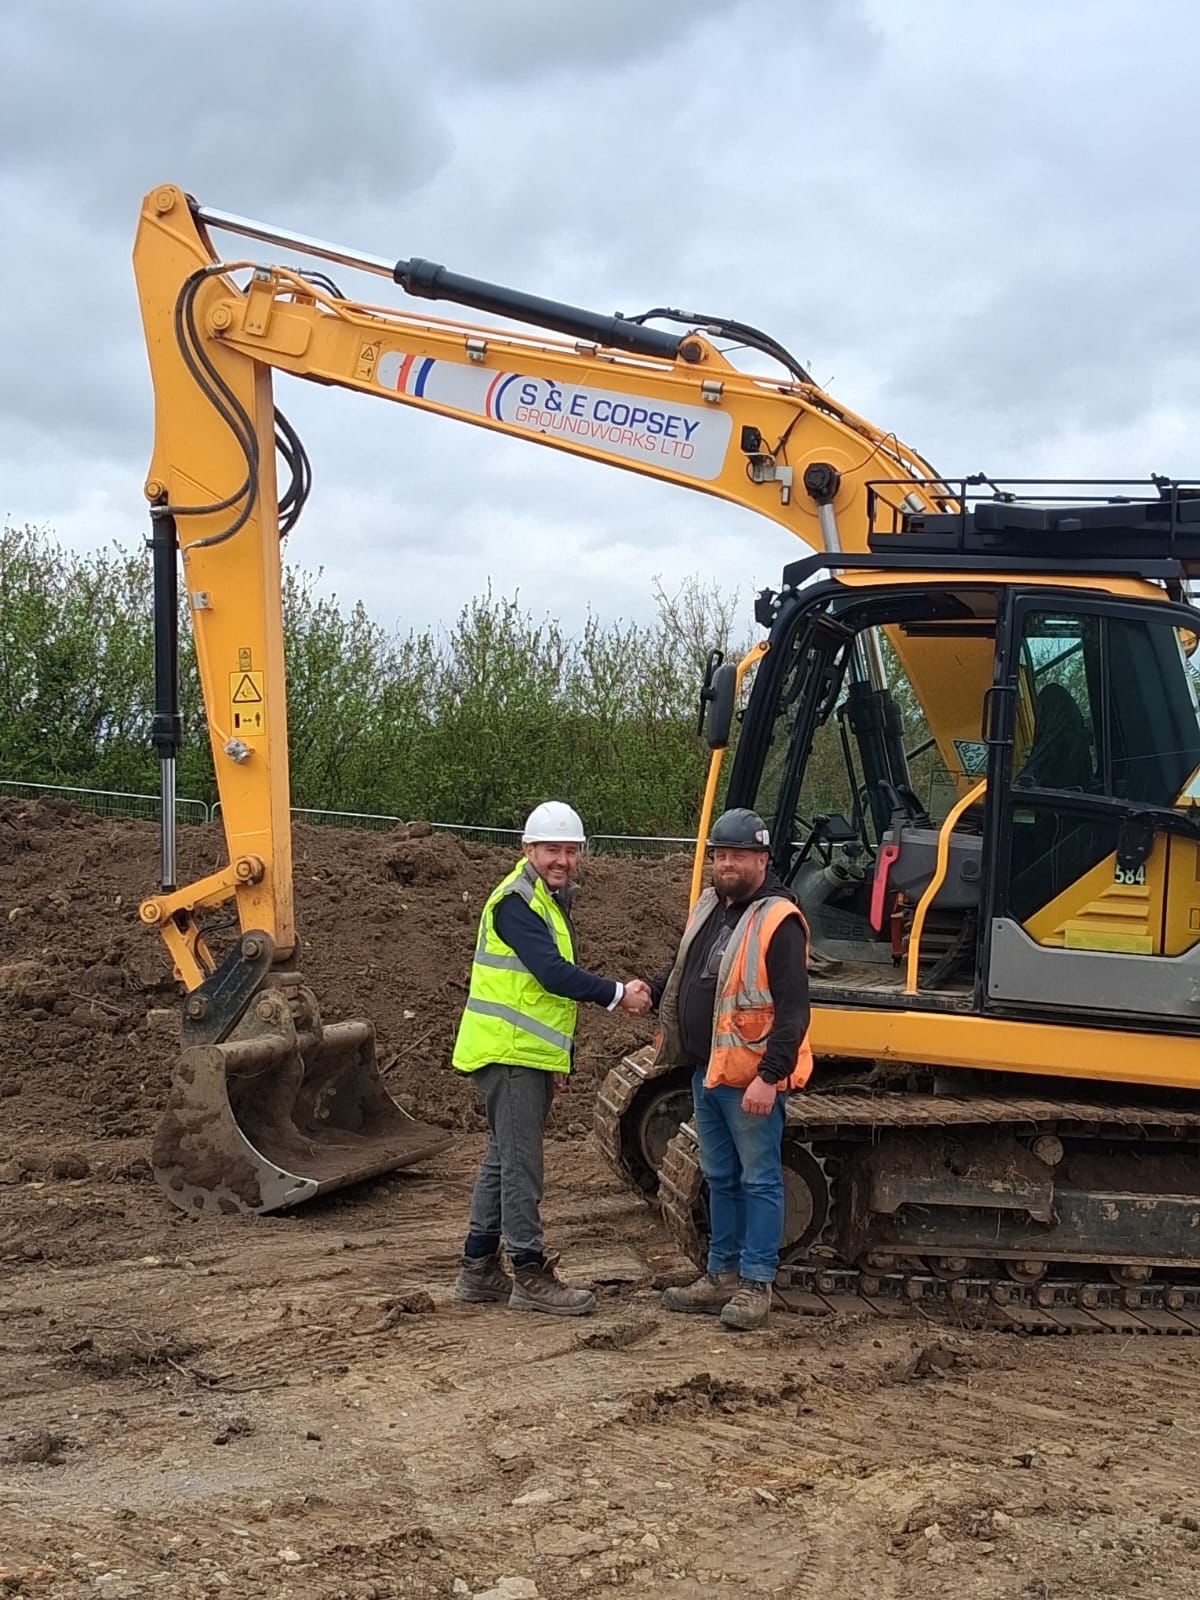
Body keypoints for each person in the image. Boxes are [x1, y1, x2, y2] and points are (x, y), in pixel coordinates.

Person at [451, 800, 651, 1316]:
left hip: (524, 1054)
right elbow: (552, 975)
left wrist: (557, 1060)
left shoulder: (545, 898)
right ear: (528, 849)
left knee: (502, 1159)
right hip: (509, 1055)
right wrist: (616, 993)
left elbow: (541, 998)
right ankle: (528, 1274)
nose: (562, 859)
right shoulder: (516, 903)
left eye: (570, 850)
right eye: (551, 849)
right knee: (521, 1167)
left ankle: (478, 1268)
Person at [649, 807, 811, 1331]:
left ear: (762, 860)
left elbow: (793, 1011)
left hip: (750, 1079)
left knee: (760, 1178)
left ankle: (756, 1284)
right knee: (720, 1176)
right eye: (720, 855)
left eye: (739, 855)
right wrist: (646, 992)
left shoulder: (777, 919)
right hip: (708, 1071)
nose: (727, 864)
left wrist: (770, 1076)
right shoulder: (711, 907)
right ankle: (721, 1273)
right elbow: (686, 972)